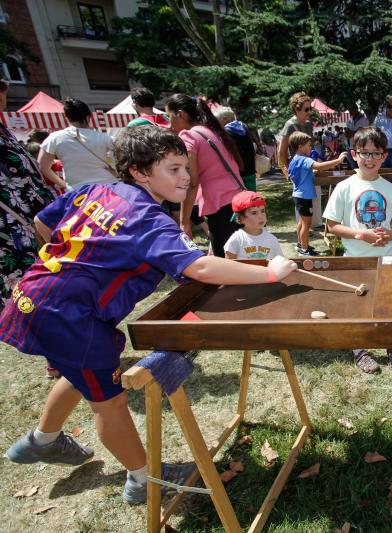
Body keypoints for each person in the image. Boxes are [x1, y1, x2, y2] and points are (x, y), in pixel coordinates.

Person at [0, 126, 297, 505]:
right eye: (173, 169)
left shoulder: (93, 189)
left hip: (32, 293)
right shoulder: (148, 218)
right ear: (140, 172)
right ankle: (144, 480)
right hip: (70, 317)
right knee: (110, 401)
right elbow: (201, 268)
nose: (186, 176)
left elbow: (44, 223)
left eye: (184, 168)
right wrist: (270, 273)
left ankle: (40, 440)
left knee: (76, 371)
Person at [322, 127, 392, 373]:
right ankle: (360, 349)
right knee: (358, 306)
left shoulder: (390, 189)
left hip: (387, 257)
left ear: (384, 157)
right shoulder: (344, 187)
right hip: (356, 259)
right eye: (364, 153)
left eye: (376, 153)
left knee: (390, 303)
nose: (370, 159)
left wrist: (391, 234)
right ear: (354, 154)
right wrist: (362, 234)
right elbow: (332, 225)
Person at [165, 94, 244, 257]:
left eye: (169, 116)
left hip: (221, 206)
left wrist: (184, 221)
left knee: (226, 263)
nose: (169, 123)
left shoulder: (188, 136)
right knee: (236, 255)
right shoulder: (211, 131)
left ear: (181, 114)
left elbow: (192, 182)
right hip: (238, 201)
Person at [0, 78, 55, 304]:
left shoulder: (5, 130)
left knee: (48, 288)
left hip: (34, 222)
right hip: (11, 232)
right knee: (26, 297)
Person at [288, 131, 347, 256]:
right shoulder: (305, 160)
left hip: (298, 195)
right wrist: (338, 160)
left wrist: (310, 173)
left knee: (301, 222)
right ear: (300, 146)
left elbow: (296, 174)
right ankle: (304, 250)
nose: (311, 147)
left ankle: (300, 244)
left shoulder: (294, 159)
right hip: (304, 197)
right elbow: (320, 166)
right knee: (306, 224)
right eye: (309, 145)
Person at [38, 98, 116, 190]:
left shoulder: (54, 138)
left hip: (78, 191)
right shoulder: (104, 137)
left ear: (66, 117)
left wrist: (64, 184)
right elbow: (129, 155)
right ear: (88, 117)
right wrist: (116, 173)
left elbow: (42, 167)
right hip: (108, 188)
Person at [277, 92, 323, 227]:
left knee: (315, 195)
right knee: (302, 201)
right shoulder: (290, 125)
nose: (309, 112)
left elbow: (310, 146)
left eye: (310, 109)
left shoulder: (309, 124)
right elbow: (281, 153)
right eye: (306, 109)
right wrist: (286, 173)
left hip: (309, 165)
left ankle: (314, 225)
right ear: (296, 109)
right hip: (298, 169)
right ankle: (303, 232)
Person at [224, 190, 284, 260]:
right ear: (241, 218)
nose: (260, 216)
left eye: (262, 211)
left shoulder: (272, 239)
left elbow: (281, 262)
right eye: (254, 213)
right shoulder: (236, 240)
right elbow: (228, 266)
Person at [214, 106, 258, 192]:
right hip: (251, 168)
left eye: (217, 121)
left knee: (241, 200)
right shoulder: (244, 126)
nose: (217, 124)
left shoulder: (226, 132)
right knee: (252, 197)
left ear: (225, 119)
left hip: (238, 171)